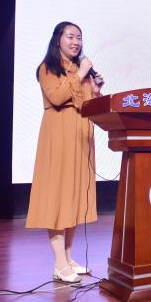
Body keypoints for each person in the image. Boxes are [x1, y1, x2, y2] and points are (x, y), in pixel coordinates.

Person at [25, 21, 104, 283]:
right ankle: (59, 263)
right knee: (58, 196)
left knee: (73, 195)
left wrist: (96, 91)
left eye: (79, 37)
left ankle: (68, 258)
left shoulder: (82, 71)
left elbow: (90, 106)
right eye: (70, 36)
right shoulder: (48, 68)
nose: (76, 42)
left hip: (80, 137)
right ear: (57, 39)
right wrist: (80, 74)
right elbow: (58, 98)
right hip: (58, 136)